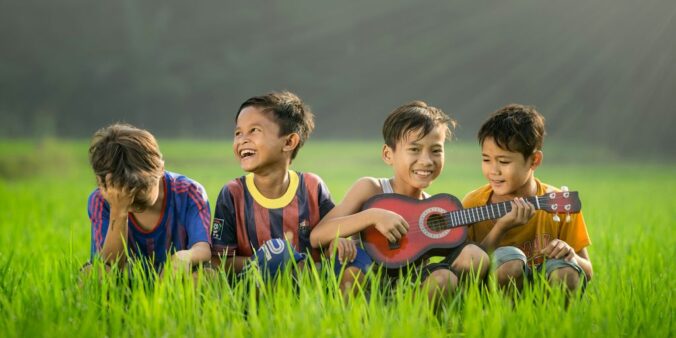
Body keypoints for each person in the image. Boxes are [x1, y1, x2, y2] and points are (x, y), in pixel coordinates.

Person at [310, 101, 488, 305]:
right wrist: (374, 216)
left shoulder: (432, 207)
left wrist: (503, 222)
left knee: (464, 263)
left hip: (412, 288)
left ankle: (433, 318)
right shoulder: (372, 188)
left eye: (436, 151)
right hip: (368, 284)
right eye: (414, 149)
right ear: (388, 154)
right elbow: (317, 236)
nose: (426, 160)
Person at [210, 91, 371, 293]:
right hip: (256, 288)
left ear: (289, 142)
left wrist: (338, 241)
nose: (243, 139)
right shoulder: (233, 194)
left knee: (360, 257)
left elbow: (330, 233)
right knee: (279, 251)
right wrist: (276, 261)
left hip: (311, 285)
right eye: (238, 133)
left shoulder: (312, 186)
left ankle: (337, 313)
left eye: (254, 130)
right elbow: (219, 261)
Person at [463, 104, 593, 292]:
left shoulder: (558, 203)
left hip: (544, 287)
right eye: (486, 159)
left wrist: (571, 255)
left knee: (566, 273)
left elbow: (588, 272)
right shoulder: (473, 203)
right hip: (492, 293)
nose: (493, 170)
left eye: (504, 161)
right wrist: (501, 228)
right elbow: (466, 271)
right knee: (510, 262)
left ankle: (553, 320)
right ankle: (506, 319)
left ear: (534, 160)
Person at [86, 123, 211, 274]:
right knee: (93, 274)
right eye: (121, 190)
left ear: (160, 168)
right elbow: (110, 267)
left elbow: (203, 248)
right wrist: (118, 211)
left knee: (207, 276)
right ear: (104, 184)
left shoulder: (189, 192)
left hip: (176, 277)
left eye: (138, 188)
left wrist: (185, 256)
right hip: (125, 280)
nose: (129, 197)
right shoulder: (101, 200)